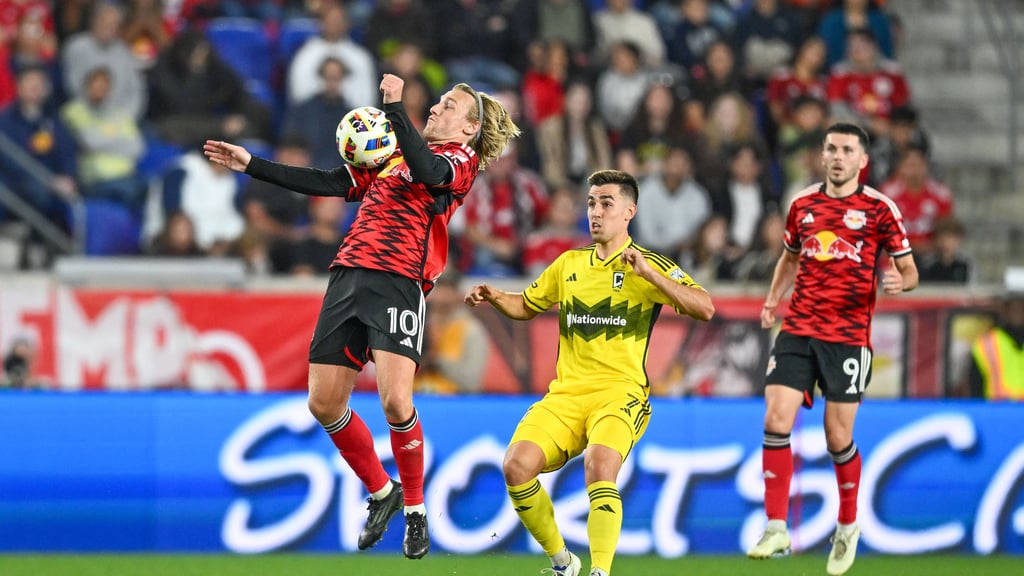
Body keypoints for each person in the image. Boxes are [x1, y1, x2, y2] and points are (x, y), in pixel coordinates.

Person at [203, 73, 519, 559]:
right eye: (435, 103)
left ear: (470, 128)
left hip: (398, 279)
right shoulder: (392, 155)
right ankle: (382, 492)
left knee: (396, 402)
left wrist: (396, 109)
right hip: (348, 274)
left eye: (447, 107)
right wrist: (253, 166)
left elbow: (429, 171)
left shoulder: (460, 162)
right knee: (324, 403)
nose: (435, 109)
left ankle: (415, 511)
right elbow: (330, 182)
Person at [464, 169, 715, 576]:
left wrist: (651, 276)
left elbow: (704, 307)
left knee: (599, 465)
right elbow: (527, 305)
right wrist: (495, 296)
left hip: (620, 393)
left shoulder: (648, 265)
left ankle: (600, 572)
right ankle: (564, 564)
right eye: (592, 203)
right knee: (516, 466)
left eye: (606, 204)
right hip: (566, 395)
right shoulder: (569, 265)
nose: (596, 212)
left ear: (629, 211)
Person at [748, 122, 918, 576]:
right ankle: (777, 524)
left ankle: (846, 525)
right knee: (775, 416)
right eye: (830, 148)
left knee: (836, 437)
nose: (837, 156)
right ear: (822, 156)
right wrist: (772, 300)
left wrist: (902, 282)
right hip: (799, 328)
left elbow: (910, 270)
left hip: (846, 337)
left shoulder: (881, 210)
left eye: (846, 149)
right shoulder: (802, 205)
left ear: (862, 160)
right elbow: (789, 257)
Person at [966, 285, 1024, 400]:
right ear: (1004, 310)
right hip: (996, 412)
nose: (1017, 311)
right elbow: (975, 384)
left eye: (1021, 306)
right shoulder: (986, 343)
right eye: (1013, 306)